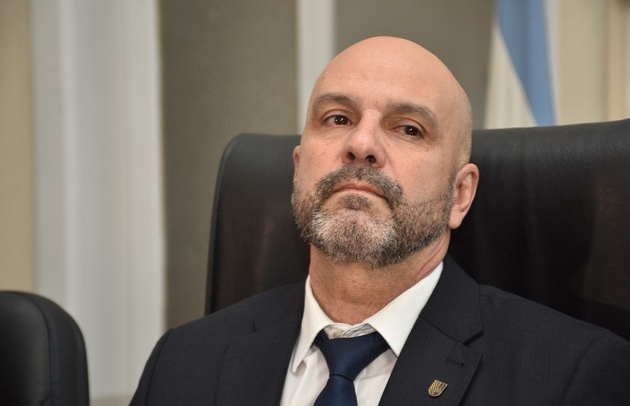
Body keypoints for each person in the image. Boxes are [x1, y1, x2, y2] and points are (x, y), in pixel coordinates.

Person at [131, 36, 630, 405]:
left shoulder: (573, 376)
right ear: (299, 169)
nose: (361, 144)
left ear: (460, 195)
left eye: (408, 128)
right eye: (338, 118)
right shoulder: (182, 363)